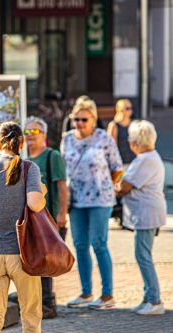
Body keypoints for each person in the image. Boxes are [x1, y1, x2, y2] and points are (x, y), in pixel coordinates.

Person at [0, 122, 46, 333]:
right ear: (21, 143)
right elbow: (35, 204)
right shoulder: (29, 167)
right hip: (22, 254)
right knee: (30, 319)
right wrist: (42, 190)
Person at [61, 98, 123, 309]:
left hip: (100, 200)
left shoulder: (104, 138)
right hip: (75, 200)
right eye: (75, 119)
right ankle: (86, 292)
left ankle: (107, 295)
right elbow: (63, 169)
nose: (79, 123)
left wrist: (106, 186)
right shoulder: (67, 139)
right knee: (79, 245)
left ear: (94, 119)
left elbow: (117, 167)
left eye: (83, 119)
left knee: (99, 243)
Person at [115, 120, 166, 316]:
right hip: (148, 212)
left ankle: (154, 300)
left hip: (147, 213)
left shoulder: (145, 159)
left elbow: (125, 186)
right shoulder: (150, 157)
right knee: (144, 255)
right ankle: (148, 297)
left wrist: (116, 186)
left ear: (136, 142)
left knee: (143, 256)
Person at [24, 116, 69, 319]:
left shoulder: (52, 156)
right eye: (27, 132)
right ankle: (33, 302)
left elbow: (61, 186)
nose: (30, 136)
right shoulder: (22, 157)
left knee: (46, 262)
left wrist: (62, 213)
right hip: (27, 220)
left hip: (48, 218)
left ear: (43, 135)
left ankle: (48, 304)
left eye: (34, 132)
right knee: (30, 261)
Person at [107, 99, 134, 165]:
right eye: (127, 108)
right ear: (120, 110)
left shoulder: (133, 124)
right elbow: (111, 146)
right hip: (120, 162)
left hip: (133, 161)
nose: (130, 110)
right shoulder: (114, 125)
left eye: (131, 108)